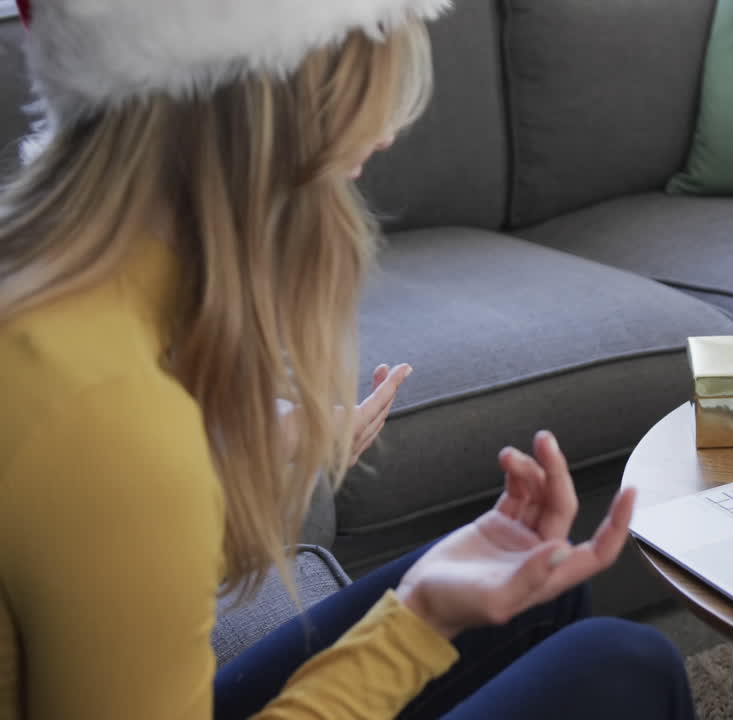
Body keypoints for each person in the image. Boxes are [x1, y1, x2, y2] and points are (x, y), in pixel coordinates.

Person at [0, 2, 695, 718]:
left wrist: (235, 477)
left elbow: (99, 585)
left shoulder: (54, 291)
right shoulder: (104, 411)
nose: (388, 129)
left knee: (532, 594)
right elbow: (110, 480)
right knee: (624, 667)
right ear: (271, 95)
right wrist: (418, 625)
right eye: (368, 73)